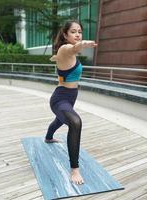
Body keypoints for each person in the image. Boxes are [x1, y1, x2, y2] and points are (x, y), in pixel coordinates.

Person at [44, 20, 97, 185]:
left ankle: (48, 137)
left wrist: (56, 58)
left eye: (80, 31)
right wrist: (83, 44)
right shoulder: (66, 48)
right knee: (75, 122)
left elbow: (66, 57)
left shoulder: (66, 53)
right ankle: (74, 169)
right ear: (65, 35)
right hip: (60, 99)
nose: (77, 34)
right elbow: (73, 48)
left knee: (59, 120)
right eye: (73, 31)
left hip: (69, 98)